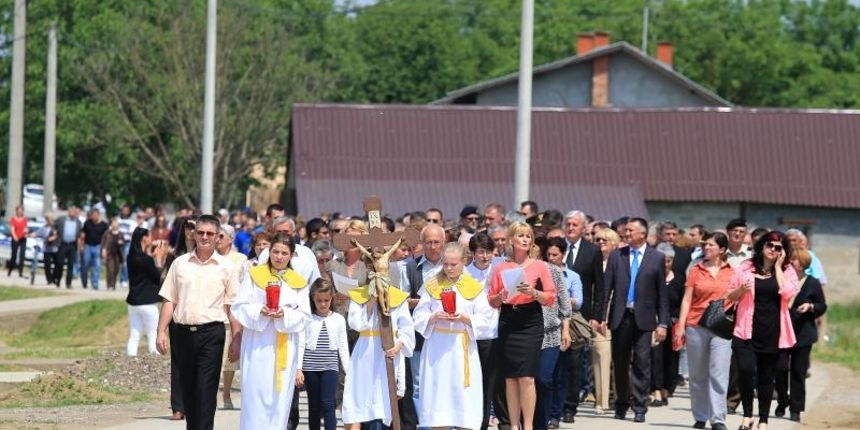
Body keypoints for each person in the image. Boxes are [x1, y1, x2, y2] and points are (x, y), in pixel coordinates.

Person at [156, 214, 240, 430]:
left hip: (212, 334)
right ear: (193, 234)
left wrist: (237, 339)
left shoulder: (226, 267)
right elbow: (169, 300)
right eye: (200, 232)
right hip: (182, 334)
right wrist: (160, 331)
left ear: (217, 236)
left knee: (206, 389)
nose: (204, 237)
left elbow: (232, 307)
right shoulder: (179, 264)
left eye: (209, 233)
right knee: (189, 390)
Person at [231, 232, 311, 429]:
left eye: (284, 253)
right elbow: (239, 306)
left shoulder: (298, 282)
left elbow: (305, 316)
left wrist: (285, 313)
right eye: (275, 251)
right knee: (255, 396)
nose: (279, 257)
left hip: (284, 345)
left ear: (291, 255)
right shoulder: (255, 275)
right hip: (257, 345)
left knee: (280, 399)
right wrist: (260, 310)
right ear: (269, 251)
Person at [413, 242, 494, 429]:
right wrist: (433, 316)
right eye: (446, 264)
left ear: (464, 261)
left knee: (463, 398)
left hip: (461, 346)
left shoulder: (473, 286)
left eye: (453, 264)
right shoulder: (433, 284)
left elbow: (486, 319)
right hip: (437, 348)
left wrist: (466, 318)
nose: (449, 268)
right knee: (438, 397)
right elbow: (418, 315)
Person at [726, 231, 798, 430]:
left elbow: (788, 293)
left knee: (767, 378)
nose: (773, 250)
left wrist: (777, 267)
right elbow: (729, 295)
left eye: (778, 247)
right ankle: (747, 415)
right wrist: (741, 290)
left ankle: (763, 419)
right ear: (762, 245)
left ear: (783, 251)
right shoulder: (746, 267)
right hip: (745, 330)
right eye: (770, 245)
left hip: (773, 332)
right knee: (745, 370)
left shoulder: (787, 270)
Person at [599, 217, 669, 423]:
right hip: (621, 318)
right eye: (625, 230)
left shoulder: (656, 258)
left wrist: (663, 322)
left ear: (642, 234)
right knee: (619, 363)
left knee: (642, 364)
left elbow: (661, 294)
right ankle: (621, 403)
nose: (626, 233)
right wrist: (600, 317)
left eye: (630, 230)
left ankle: (640, 406)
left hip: (645, 320)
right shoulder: (616, 256)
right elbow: (606, 290)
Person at [487, 222, 556, 430]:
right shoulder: (501, 268)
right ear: (511, 240)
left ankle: (528, 426)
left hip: (530, 321)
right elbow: (491, 300)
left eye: (528, 236)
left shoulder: (539, 266)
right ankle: (513, 425)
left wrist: (533, 293)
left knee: (526, 377)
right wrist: (500, 296)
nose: (526, 239)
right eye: (521, 236)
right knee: (510, 378)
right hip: (508, 319)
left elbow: (550, 298)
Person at [342, 247, 416, 430]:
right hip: (365, 353)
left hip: (388, 353)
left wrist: (399, 345)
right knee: (361, 403)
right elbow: (356, 324)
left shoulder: (397, 296)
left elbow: (407, 328)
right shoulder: (359, 294)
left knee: (383, 406)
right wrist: (372, 299)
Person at [673, 232, 734, 430]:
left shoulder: (732, 271)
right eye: (705, 245)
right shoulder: (696, 270)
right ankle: (700, 415)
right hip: (696, 325)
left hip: (720, 327)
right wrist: (681, 326)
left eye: (711, 246)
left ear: (722, 250)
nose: (706, 248)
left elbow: (737, 298)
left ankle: (718, 418)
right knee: (698, 374)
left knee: (719, 373)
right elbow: (687, 299)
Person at [560, 210, 603, 424]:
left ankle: (570, 407)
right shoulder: (556, 248)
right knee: (556, 362)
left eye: (575, 224)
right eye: (567, 223)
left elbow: (599, 286)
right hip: (555, 315)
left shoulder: (592, 251)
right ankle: (555, 405)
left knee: (575, 363)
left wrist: (597, 316)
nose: (570, 227)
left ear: (583, 227)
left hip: (579, 317)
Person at [775, 249, 827, 423]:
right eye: (791, 259)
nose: (792, 262)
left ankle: (796, 409)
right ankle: (782, 401)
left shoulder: (812, 282)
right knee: (780, 368)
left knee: (798, 372)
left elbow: (822, 305)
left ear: (804, 262)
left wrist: (811, 306)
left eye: (796, 259)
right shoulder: (782, 278)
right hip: (782, 331)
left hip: (803, 333)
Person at [297, 279, 350, 430]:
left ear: (332, 298)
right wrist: (298, 368)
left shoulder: (338, 319)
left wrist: (349, 371)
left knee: (328, 403)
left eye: (326, 300)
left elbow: (343, 347)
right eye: (319, 300)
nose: (323, 304)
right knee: (313, 406)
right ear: (313, 299)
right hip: (310, 368)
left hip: (330, 367)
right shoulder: (307, 318)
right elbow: (301, 343)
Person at [537, 237, 576, 430]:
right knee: (529, 381)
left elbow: (564, 304)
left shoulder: (554, 272)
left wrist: (566, 331)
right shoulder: (517, 270)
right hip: (525, 335)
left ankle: (550, 417)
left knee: (545, 379)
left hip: (551, 332)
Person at [466, 232, 501, 430]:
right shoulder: (464, 273)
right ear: (472, 253)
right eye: (481, 252)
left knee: (489, 381)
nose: (485, 257)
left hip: (492, 333)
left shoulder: (498, 272)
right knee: (470, 381)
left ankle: (483, 423)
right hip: (469, 333)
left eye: (488, 252)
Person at [650, 242, 685, 407]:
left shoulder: (679, 279)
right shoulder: (651, 277)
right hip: (654, 323)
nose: (665, 264)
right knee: (655, 357)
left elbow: (684, 301)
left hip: (674, 323)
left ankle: (666, 388)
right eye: (662, 260)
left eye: (669, 260)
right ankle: (655, 389)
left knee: (671, 359)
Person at [217, 224, 247, 410]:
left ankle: (226, 393)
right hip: (213, 312)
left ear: (230, 238)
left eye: (221, 236)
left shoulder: (240, 259)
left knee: (229, 359)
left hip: (232, 314)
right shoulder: (209, 258)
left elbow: (244, 285)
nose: (218, 239)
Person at [590, 228, 620, 415]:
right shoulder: (595, 263)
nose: (600, 243)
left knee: (621, 361)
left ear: (614, 244)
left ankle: (622, 398)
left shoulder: (620, 262)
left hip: (618, 316)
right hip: (599, 315)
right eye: (598, 239)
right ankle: (601, 401)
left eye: (605, 240)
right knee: (600, 355)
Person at [126, 227, 168, 356]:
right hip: (148, 303)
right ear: (144, 238)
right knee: (153, 333)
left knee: (134, 335)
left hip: (133, 302)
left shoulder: (131, 257)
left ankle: (131, 359)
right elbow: (157, 277)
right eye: (149, 236)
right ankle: (155, 360)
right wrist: (159, 260)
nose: (152, 239)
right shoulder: (146, 260)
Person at [53, 206, 83, 289]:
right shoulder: (61, 219)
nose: (73, 214)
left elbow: (79, 233)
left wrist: (80, 244)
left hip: (72, 245)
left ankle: (68, 283)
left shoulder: (78, 222)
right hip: (63, 244)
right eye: (72, 212)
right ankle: (58, 280)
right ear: (69, 212)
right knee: (60, 263)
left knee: (71, 265)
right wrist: (55, 232)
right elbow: (54, 225)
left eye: (74, 212)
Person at [81, 209, 109, 290]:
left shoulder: (104, 225)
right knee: (85, 264)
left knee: (96, 266)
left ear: (98, 215)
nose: (94, 217)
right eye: (92, 215)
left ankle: (95, 283)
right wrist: (81, 245)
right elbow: (83, 234)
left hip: (98, 246)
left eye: (95, 215)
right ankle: (84, 282)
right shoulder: (87, 223)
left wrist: (105, 248)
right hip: (88, 246)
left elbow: (107, 237)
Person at [101, 219, 125, 291]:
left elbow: (123, 242)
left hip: (118, 254)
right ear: (111, 225)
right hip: (109, 253)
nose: (115, 225)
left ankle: (113, 284)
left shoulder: (120, 234)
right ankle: (109, 285)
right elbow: (103, 243)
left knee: (116, 270)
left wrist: (121, 242)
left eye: (116, 224)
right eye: (113, 224)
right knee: (110, 269)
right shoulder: (107, 233)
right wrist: (103, 251)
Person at [36, 215, 59, 285]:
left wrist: (53, 237)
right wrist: (30, 234)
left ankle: (54, 277)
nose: (50, 221)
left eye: (51, 220)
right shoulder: (44, 228)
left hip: (55, 248)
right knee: (47, 265)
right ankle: (49, 279)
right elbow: (37, 233)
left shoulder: (55, 227)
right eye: (48, 220)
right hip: (46, 249)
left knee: (57, 264)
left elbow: (57, 235)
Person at [7, 205, 27, 277]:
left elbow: (25, 228)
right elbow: (12, 229)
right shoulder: (13, 219)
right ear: (16, 211)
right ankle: (10, 270)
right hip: (15, 239)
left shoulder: (25, 219)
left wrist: (26, 232)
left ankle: (20, 271)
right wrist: (15, 237)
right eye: (18, 210)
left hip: (23, 239)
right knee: (14, 255)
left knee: (22, 255)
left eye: (21, 210)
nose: (20, 212)